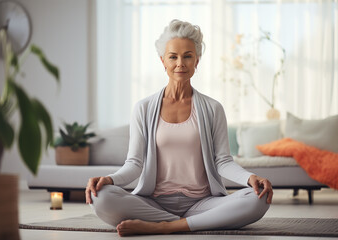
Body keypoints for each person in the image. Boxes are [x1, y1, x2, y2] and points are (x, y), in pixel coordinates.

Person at [85, 19, 273, 237]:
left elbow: (223, 161)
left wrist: (250, 178)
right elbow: (134, 164)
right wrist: (109, 179)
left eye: (187, 56)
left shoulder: (213, 108)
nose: (180, 63)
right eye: (173, 57)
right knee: (101, 197)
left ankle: (165, 227)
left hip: (203, 203)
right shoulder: (143, 108)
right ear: (163, 61)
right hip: (154, 203)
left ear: (197, 61)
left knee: (257, 200)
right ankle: (198, 224)